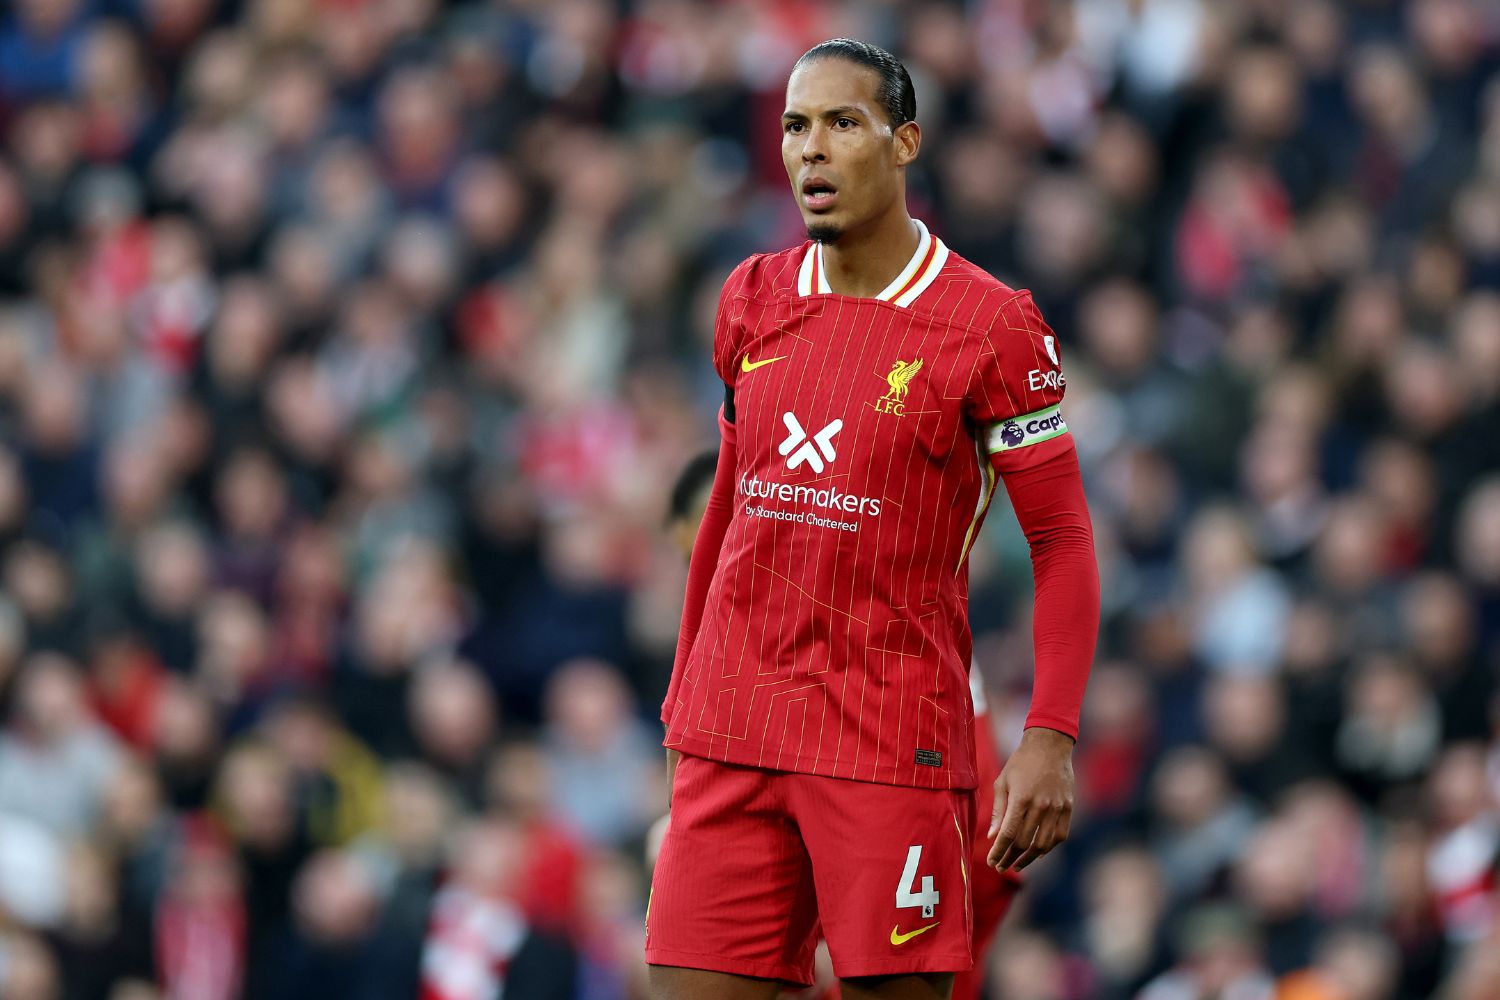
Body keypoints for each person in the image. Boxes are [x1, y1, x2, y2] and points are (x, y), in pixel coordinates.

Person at [648, 38, 1099, 1000]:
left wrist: (1051, 735)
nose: (811, 148)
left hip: (887, 743)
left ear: (904, 143)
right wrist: (686, 703)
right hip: (734, 730)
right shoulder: (751, 298)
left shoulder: (993, 326)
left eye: (842, 123)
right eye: (795, 126)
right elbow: (727, 509)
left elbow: (1062, 541)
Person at [662, 453, 1024, 1000]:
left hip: (897, 926)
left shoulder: (896, 642)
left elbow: (980, 843)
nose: (703, 572)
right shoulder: (740, 649)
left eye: (703, 551)